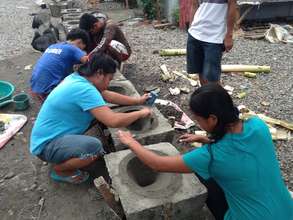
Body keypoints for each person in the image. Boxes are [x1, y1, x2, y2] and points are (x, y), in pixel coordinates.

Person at [117, 84, 293, 220]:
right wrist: (205, 139)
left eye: (198, 119)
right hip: (286, 211)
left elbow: (157, 164)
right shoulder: (258, 125)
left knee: (203, 177)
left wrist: (130, 141)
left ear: (213, 118)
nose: (197, 122)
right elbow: (239, 150)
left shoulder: (210, 156)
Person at [30, 53, 151, 184]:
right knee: (94, 147)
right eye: (109, 79)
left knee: (98, 116)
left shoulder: (79, 79)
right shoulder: (84, 89)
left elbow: (108, 95)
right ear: (99, 73)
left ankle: (66, 154)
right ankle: (60, 170)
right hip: (46, 146)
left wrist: (137, 101)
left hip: (48, 138)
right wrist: (140, 113)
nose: (108, 83)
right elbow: (113, 121)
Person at [30, 28, 89, 102]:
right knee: (80, 83)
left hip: (34, 89)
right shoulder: (72, 48)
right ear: (80, 42)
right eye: (81, 49)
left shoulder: (53, 46)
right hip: (48, 91)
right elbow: (88, 61)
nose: (80, 51)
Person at [187, 0, 237, 85]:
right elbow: (194, 4)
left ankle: (215, 97)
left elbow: (232, 5)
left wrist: (229, 35)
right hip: (195, 33)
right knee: (200, 71)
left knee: (212, 77)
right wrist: (191, 27)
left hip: (215, 37)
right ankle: (205, 95)